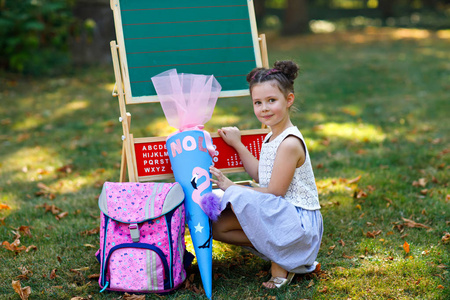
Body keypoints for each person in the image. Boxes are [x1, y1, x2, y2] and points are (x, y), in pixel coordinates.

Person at [209, 60, 323, 289]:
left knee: (241, 195)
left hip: (298, 222)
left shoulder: (290, 142)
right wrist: (238, 145)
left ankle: (283, 261)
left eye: (272, 100)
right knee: (218, 227)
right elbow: (263, 175)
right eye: (258, 102)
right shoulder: (271, 137)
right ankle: (279, 250)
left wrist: (231, 188)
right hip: (280, 211)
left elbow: (275, 191)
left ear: (288, 100)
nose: (264, 108)